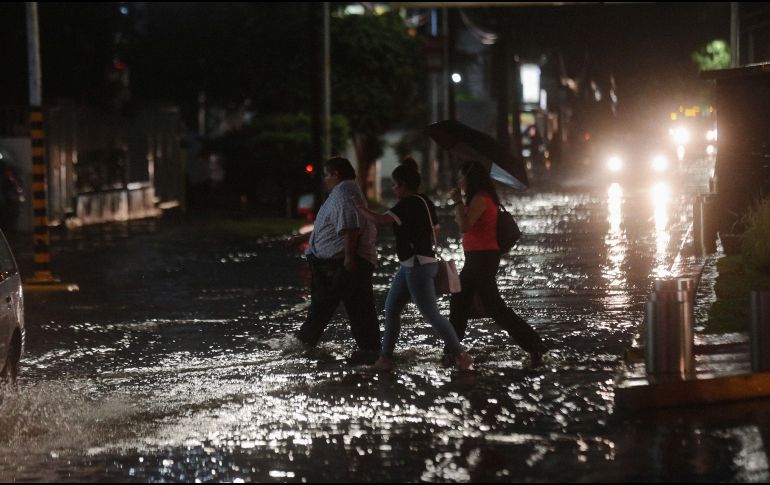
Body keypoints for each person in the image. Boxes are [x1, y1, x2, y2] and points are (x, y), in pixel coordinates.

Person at [352, 158, 472, 371]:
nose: (393, 188)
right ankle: (385, 358)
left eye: (394, 184)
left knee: (431, 314)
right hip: (413, 264)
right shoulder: (424, 201)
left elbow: (379, 220)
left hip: (418, 266)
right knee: (392, 308)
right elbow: (435, 230)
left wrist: (359, 208)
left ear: (403, 185)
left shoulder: (408, 203)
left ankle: (460, 354)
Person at [449, 160, 548, 367]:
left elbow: (465, 226)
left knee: (493, 308)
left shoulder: (481, 199)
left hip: (482, 259)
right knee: (460, 303)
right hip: (476, 258)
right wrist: (460, 204)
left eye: (461, 177)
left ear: (469, 177)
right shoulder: (478, 198)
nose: (459, 181)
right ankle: (451, 351)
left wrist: (457, 202)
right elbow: (463, 226)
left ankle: (535, 345)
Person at [287, 157, 381, 364]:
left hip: (339, 263)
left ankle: (301, 345)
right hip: (336, 262)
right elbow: (331, 226)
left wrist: (348, 258)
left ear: (336, 174)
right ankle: (371, 350)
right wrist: (304, 238)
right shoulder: (343, 193)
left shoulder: (344, 194)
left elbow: (350, 228)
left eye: (327, 174)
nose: (324, 179)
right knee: (358, 306)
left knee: (324, 307)